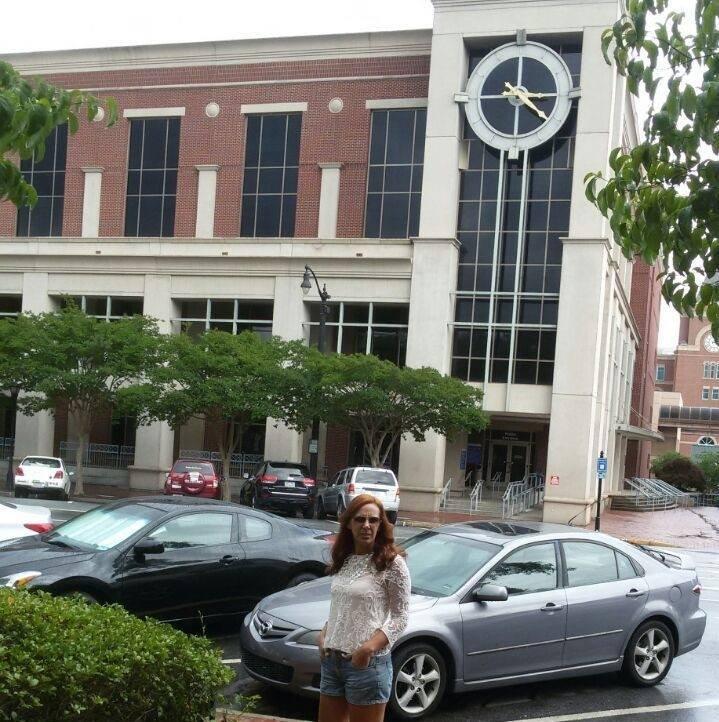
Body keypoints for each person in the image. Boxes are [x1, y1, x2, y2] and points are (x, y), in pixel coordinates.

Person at [318, 493, 411, 722]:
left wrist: (368, 648)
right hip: (332, 662)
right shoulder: (345, 559)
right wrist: (324, 633)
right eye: (360, 519)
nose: (367, 525)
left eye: (374, 520)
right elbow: (343, 604)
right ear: (349, 523)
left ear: (381, 524)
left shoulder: (392, 563)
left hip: (367, 666)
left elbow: (400, 618)